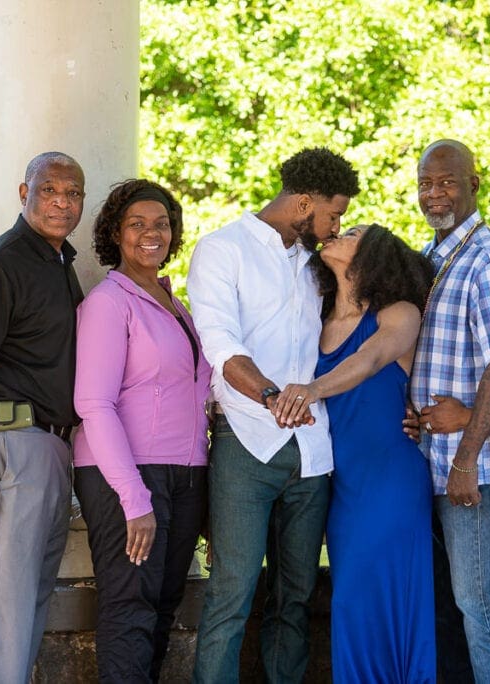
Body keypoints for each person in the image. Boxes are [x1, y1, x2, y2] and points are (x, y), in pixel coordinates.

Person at [186, 147, 361, 683]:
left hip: (314, 453)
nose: (337, 227)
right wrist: (271, 396)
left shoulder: (319, 264)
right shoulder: (222, 250)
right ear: (304, 202)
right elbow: (223, 348)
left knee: (296, 596)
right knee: (232, 592)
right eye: (333, 214)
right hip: (245, 443)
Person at [272, 224, 437, 682]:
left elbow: (368, 362)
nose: (339, 233)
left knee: (375, 596)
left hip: (391, 479)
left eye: (355, 233)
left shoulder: (398, 313)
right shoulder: (317, 318)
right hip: (340, 485)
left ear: (375, 254)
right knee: (349, 599)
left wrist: (309, 391)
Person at [0, 151, 85, 683]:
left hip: (48, 451)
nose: (62, 202)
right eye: (49, 190)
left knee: (24, 619)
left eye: (73, 193)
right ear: (24, 194)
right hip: (8, 452)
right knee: (3, 625)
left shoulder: (56, 263)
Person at [72, 179, 210, 682]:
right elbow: (93, 403)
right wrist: (134, 498)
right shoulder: (110, 303)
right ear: (115, 232)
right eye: (137, 224)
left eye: (162, 224)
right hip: (128, 476)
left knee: (162, 607)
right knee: (131, 607)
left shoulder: (177, 305)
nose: (152, 234)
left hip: (185, 474)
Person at [408, 139, 490, 683]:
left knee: (482, 608)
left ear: (474, 185)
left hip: (467, 473)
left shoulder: (489, 258)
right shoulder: (430, 258)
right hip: (426, 464)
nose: (436, 193)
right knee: (443, 612)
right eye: (427, 183)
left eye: (448, 181)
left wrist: (466, 457)